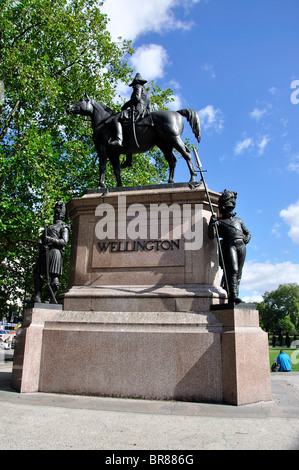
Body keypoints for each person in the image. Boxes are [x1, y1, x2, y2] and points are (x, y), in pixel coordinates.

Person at [208, 190, 251, 303]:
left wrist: (247, 238)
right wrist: (212, 223)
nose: (229, 210)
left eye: (231, 207)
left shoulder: (239, 220)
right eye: (227, 207)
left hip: (241, 245)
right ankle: (233, 296)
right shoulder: (219, 221)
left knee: (239, 272)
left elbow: (248, 233)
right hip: (230, 244)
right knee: (233, 270)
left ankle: (234, 294)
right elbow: (211, 235)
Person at [31, 201, 70, 303]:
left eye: (58, 213)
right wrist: (41, 242)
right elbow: (41, 238)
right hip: (45, 252)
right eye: (55, 213)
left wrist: (50, 240)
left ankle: (50, 298)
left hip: (55, 252)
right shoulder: (48, 227)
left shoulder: (64, 227)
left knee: (54, 276)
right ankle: (37, 296)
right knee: (37, 273)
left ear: (62, 215)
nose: (56, 215)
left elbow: (64, 242)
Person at [109, 73, 151, 147]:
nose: (133, 87)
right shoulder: (146, 93)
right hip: (144, 111)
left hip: (137, 109)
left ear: (136, 82)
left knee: (116, 118)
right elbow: (149, 106)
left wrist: (126, 105)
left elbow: (136, 98)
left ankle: (119, 139)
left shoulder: (137, 86)